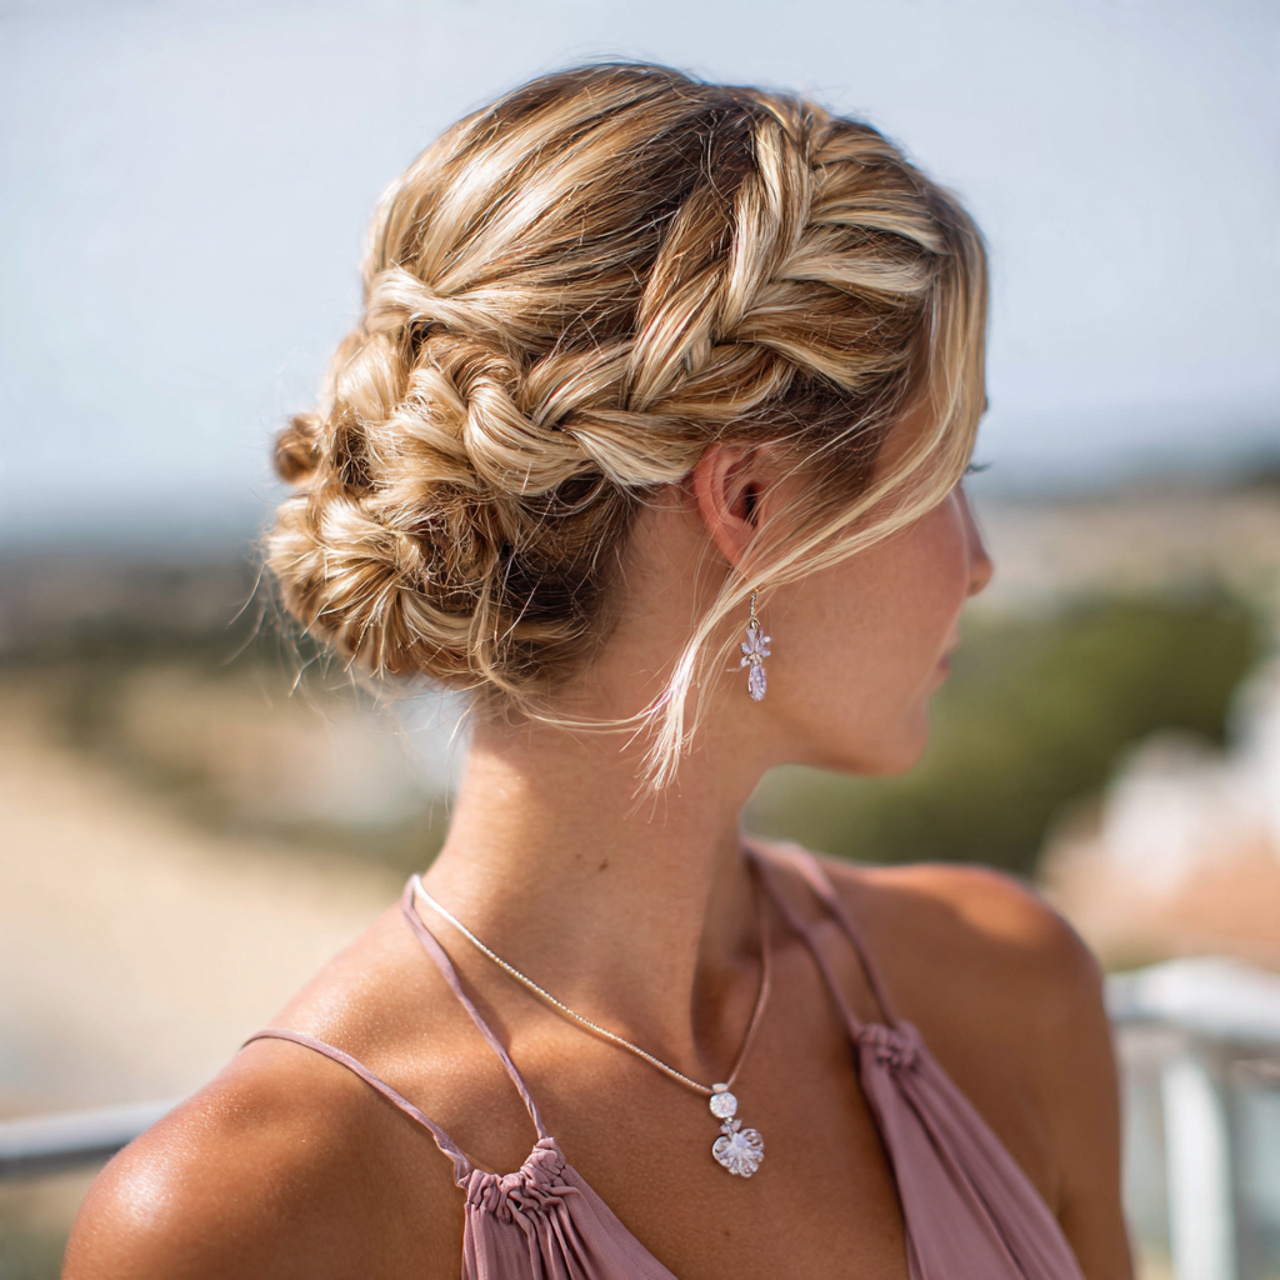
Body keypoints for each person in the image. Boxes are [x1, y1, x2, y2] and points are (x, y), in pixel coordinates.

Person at [63, 63, 1131, 1279]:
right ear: (751, 503)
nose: (978, 562)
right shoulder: (249, 1214)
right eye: (947, 475)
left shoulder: (1010, 989)